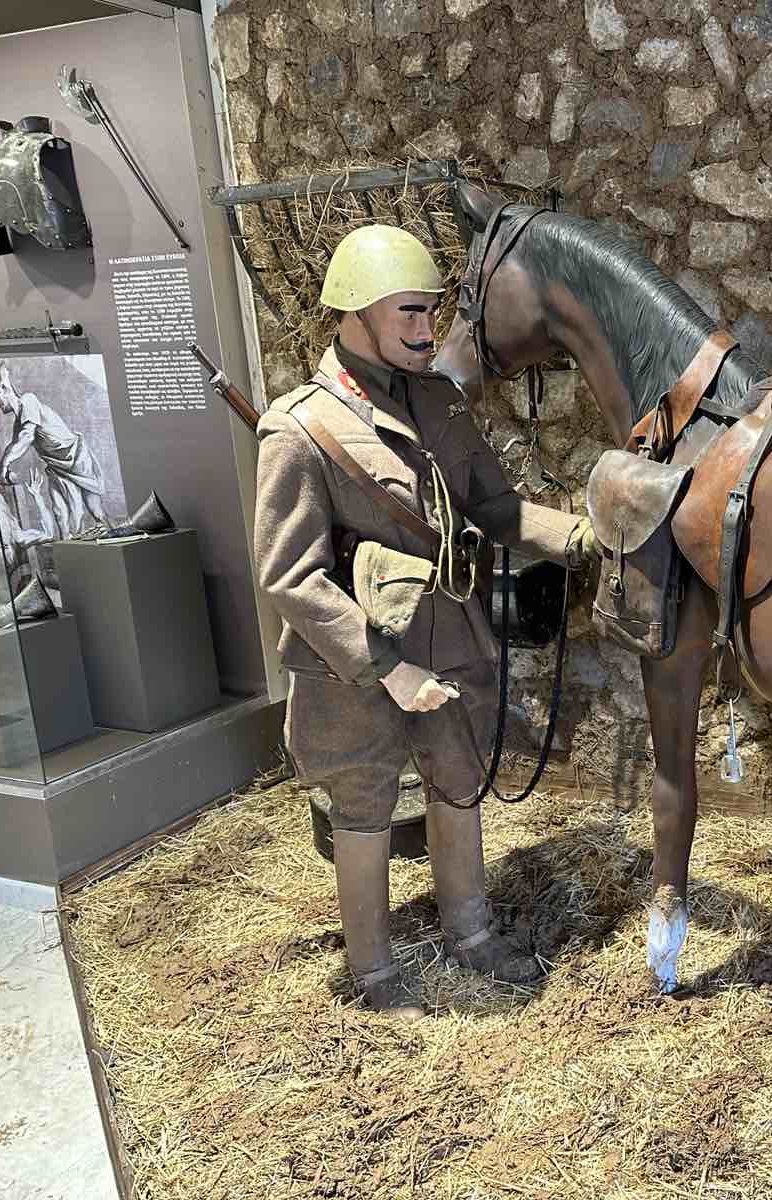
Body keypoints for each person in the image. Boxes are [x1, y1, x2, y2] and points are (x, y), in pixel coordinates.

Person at [251, 224, 596, 1016]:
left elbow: (497, 508)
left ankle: (470, 934)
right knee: (363, 804)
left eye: (431, 310)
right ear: (354, 311)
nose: (425, 327)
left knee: (459, 780)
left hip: (445, 632)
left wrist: (583, 537)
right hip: (350, 661)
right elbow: (289, 576)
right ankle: (373, 975)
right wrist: (388, 669)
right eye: (407, 310)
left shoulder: (439, 402)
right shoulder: (300, 429)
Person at [0, 361, 109, 535]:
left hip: (76, 458)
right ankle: (68, 544)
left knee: (95, 513)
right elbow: (15, 443)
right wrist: (3, 467)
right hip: (57, 466)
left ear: (6, 389)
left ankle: (104, 533)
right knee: (59, 513)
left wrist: (4, 465)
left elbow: (27, 437)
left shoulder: (28, 400)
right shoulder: (20, 420)